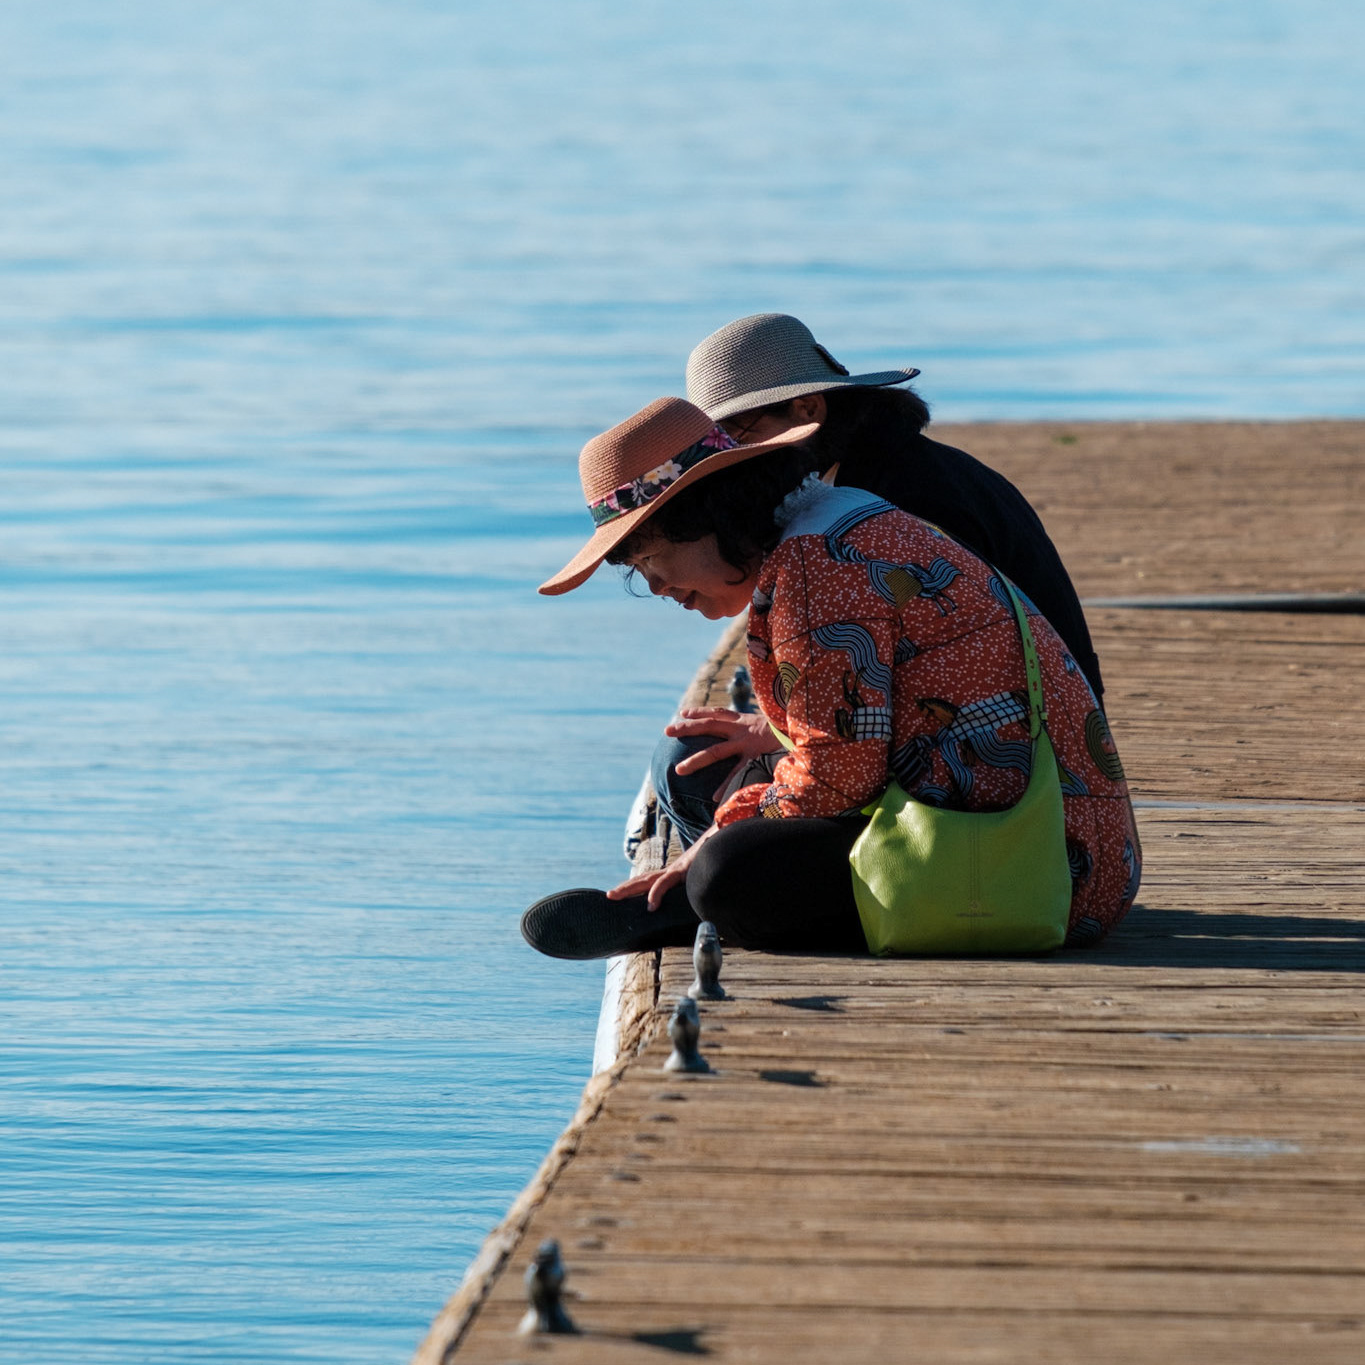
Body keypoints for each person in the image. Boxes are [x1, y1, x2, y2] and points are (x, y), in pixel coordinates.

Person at [521, 396, 1140, 960]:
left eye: (653, 558)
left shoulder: (817, 568)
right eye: (639, 571)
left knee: (726, 871)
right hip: (1029, 831)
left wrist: (719, 836)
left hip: (1043, 870)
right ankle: (693, 906)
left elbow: (840, 777)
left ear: (709, 515)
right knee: (696, 764)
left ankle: (685, 906)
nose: (656, 586)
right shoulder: (833, 518)